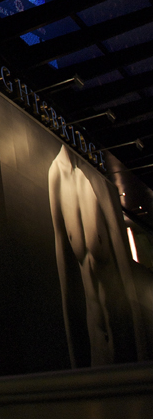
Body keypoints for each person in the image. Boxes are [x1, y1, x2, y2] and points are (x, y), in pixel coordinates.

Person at [48, 145, 145, 366]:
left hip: (121, 339)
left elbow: (125, 270)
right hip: (95, 345)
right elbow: (67, 287)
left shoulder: (99, 181)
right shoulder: (56, 175)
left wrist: (142, 357)